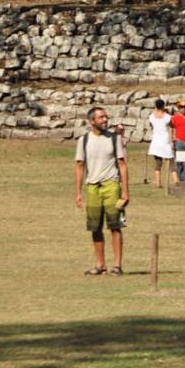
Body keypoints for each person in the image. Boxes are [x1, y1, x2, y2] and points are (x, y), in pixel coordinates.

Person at [75, 106, 129, 276]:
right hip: (92, 187)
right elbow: (79, 166)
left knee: (115, 226)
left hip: (111, 185)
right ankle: (100, 265)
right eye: (101, 118)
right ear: (92, 121)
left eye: (106, 117)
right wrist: (78, 192)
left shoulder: (114, 139)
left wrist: (125, 191)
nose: (105, 120)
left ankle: (117, 265)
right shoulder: (83, 141)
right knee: (94, 227)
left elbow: (122, 164)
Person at [148, 98, 178, 188]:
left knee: (158, 163)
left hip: (156, 142)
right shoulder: (167, 117)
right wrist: (171, 141)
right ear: (163, 106)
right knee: (171, 162)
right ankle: (176, 181)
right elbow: (172, 127)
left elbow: (151, 125)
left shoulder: (152, 116)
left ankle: (158, 182)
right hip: (165, 141)